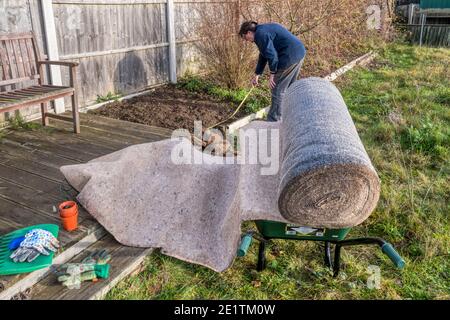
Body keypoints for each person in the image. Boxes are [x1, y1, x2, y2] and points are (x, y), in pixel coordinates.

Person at [239, 21, 306, 122]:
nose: (247, 41)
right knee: (289, 88)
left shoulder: (260, 35)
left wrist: (273, 73)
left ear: (248, 33)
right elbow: (264, 54)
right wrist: (257, 74)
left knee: (277, 89)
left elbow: (272, 56)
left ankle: (274, 121)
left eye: (245, 38)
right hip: (299, 52)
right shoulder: (263, 29)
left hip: (289, 57)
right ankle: (291, 115)